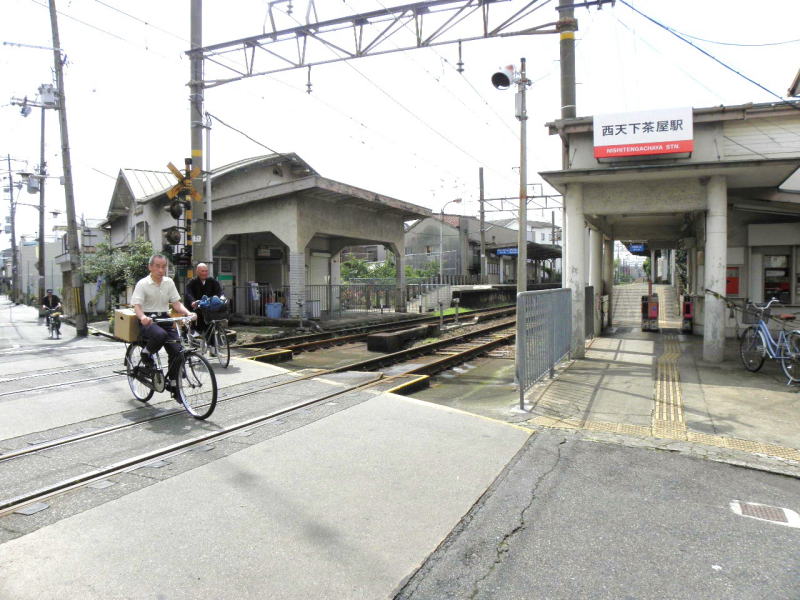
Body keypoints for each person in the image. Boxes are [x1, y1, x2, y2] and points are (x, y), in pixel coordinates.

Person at [130, 254, 195, 397]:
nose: (161, 270)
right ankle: (146, 353)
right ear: (150, 267)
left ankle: (173, 384)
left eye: (164, 266)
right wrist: (142, 317)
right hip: (148, 319)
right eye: (158, 266)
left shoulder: (169, 282)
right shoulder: (142, 283)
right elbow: (137, 306)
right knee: (160, 335)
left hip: (165, 318)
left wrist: (188, 313)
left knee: (177, 350)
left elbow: (176, 303)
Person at [185, 262, 223, 352]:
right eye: (202, 271)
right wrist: (192, 302)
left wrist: (221, 297)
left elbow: (219, 291)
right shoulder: (192, 282)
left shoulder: (212, 281)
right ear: (197, 271)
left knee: (212, 324)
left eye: (206, 271)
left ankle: (213, 347)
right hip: (197, 308)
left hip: (209, 308)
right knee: (196, 322)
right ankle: (195, 341)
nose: (204, 273)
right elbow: (188, 293)